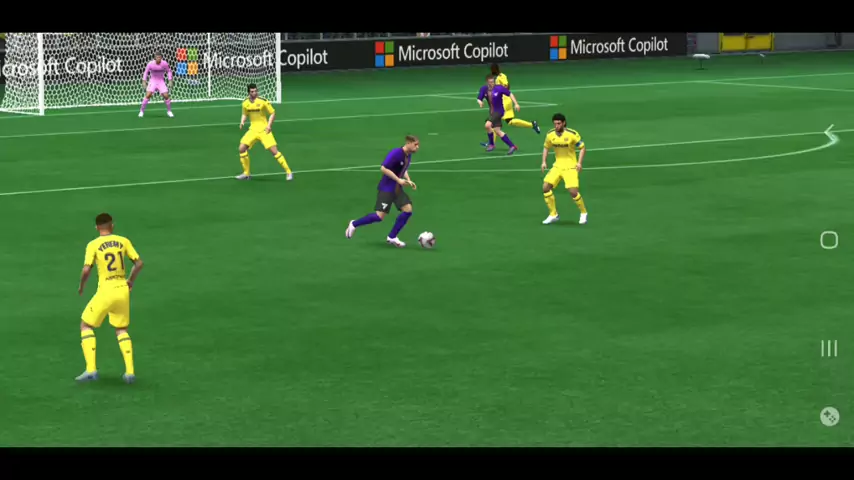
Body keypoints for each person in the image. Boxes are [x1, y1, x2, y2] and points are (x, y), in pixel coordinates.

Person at [76, 213, 144, 384]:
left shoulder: (93, 244)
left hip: (106, 291)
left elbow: (86, 269)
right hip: (122, 290)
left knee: (86, 325)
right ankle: (130, 373)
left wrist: (82, 286)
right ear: (112, 226)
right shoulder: (123, 241)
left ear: (97, 227)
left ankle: (91, 370)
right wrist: (130, 280)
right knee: (121, 329)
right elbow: (139, 263)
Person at [346, 135, 420, 247]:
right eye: (415, 144)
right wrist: (398, 180)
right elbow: (383, 168)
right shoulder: (396, 153)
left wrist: (408, 180)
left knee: (408, 210)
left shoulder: (408, 155)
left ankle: (392, 237)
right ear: (408, 143)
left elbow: (404, 169)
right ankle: (354, 224)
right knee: (379, 216)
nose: (417, 147)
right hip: (387, 188)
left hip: (397, 189)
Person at [236, 83, 293, 181]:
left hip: (264, 130)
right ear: (248, 92)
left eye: (255, 91)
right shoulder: (245, 103)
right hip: (253, 130)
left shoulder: (263, 101)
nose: (254, 93)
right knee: (241, 148)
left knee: (274, 152)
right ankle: (246, 173)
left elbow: (272, 113)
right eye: (252, 91)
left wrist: (269, 126)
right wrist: (242, 121)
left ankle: (288, 172)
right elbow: (244, 113)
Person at [541, 113, 588, 225]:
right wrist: (544, 161)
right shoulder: (550, 134)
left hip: (570, 166)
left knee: (573, 192)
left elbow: (582, 148)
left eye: (558, 123)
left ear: (564, 123)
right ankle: (553, 214)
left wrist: (579, 163)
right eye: (555, 124)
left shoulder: (572, 134)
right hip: (557, 166)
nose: (556, 126)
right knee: (546, 187)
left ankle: (583, 213)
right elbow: (546, 147)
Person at [490, 63, 540, 134]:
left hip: (504, 101)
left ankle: (491, 141)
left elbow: (507, 86)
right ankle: (532, 124)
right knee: (509, 121)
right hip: (504, 100)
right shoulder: (498, 77)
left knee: (495, 121)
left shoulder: (501, 76)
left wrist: (499, 90)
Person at [477, 75, 519, 154]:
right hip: (492, 112)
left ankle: (491, 144)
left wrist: (516, 104)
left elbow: (510, 94)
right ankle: (512, 146)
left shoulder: (499, 88)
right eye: (490, 82)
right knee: (497, 131)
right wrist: (480, 102)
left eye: (493, 82)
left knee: (487, 125)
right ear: (487, 82)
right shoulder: (484, 89)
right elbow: (479, 98)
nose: (492, 84)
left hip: (499, 111)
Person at [139, 52, 174, 118]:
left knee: (166, 96)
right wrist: (144, 81)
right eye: (157, 57)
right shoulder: (150, 64)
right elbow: (146, 72)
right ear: (155, 58)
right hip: (153, 81)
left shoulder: (164, 63)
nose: (158, 58)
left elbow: (169, 71)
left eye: (159, 57)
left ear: (161, 58)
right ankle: (141, 111)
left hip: (161, 81)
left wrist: (170, 80)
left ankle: (169, 111)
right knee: (148, 95)